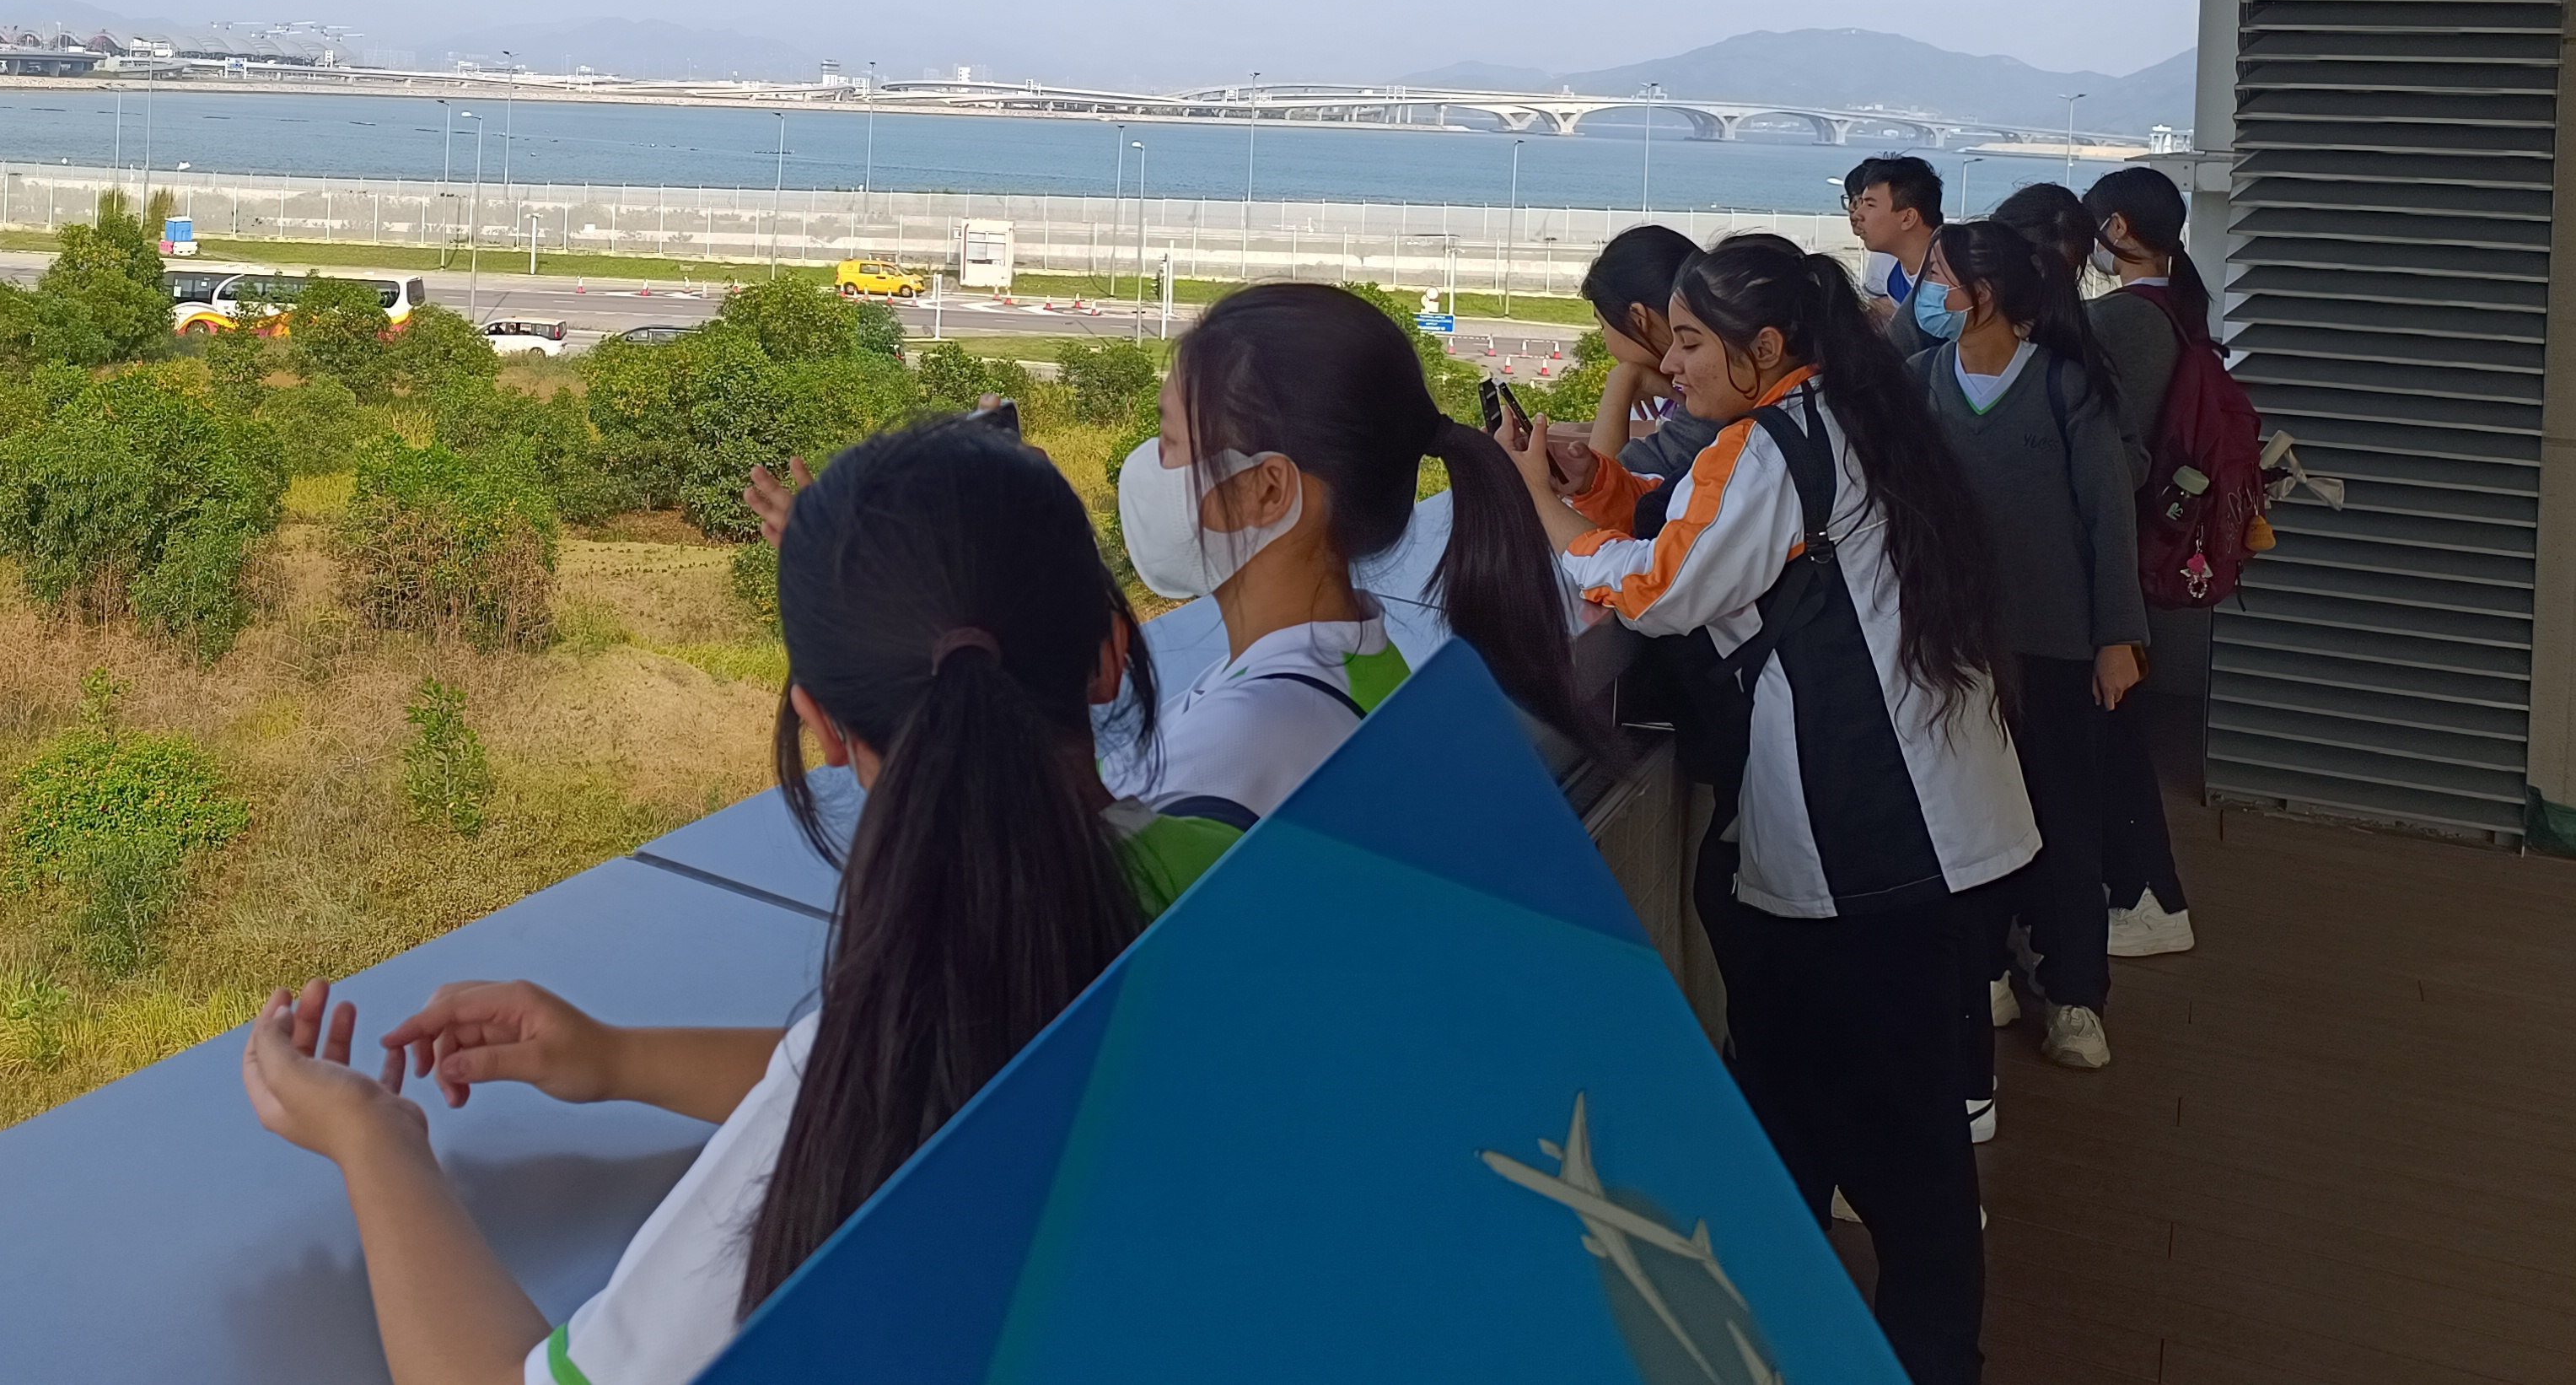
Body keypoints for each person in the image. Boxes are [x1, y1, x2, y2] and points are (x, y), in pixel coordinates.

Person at [236, 418, 1235, 1385]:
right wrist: (615, 1059)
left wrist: (373, 1138)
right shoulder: (1230, 871)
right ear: (1109, 652)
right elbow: (918, 1062)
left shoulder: (897, 1073)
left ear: (822, 728)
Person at [1508, 232, 2033, 1385]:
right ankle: (1847, 1334)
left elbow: (1656, 584)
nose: (1670, 362)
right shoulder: (1842, 417)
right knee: (1849, 1101)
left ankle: (1916, 1355)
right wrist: (1591, 484)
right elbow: (1689, 519)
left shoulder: (1771, 445)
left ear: (1768, 349)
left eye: (1693, 343)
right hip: (1917, 824)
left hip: (1869, 835)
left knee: (1893, 1135)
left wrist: (1542, 511)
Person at [1119, 283, 1604, 827]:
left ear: (1268, 490)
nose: (1149, 464)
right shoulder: (1357, 665)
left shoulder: (1237, 747)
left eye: (1168, 442)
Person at [1912, 216, 2146, 1079]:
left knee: (2064, 822)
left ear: (1983, 295)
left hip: (2055, 646)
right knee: (1969, 820)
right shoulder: (1921, 383)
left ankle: (2076, 995)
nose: (1928, 295)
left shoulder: (2066, 387)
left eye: (1940, 279)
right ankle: (1986, 974)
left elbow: (2108, 520)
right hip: (1956, 648)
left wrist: (2117, 639)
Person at [2081, 164, 2213, 958]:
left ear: (2117, 229)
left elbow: (2108, 452)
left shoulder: (2122, 320)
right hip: (2147, 544)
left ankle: (2151, 896)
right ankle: (2137, 890)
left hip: (2114, 552)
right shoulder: (2180, 308)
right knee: (2114, 727)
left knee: (2112, 734)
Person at [1578, 224, 1711, 469]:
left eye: (1603, 326)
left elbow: (1605, 485)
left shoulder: (1709, 403)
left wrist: (1623, 379)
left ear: (1638, 319)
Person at [1845, 154, 1945, 314]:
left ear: (1907, 218)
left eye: (1870, 205)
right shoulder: (1888, 263)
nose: (1857, 214)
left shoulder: (1957, 272)